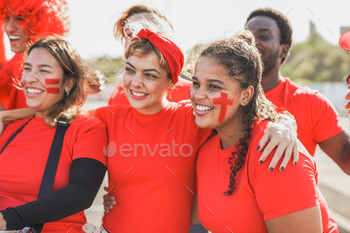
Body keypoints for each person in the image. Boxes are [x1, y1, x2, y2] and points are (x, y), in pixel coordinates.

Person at [190, 30, 338, 233]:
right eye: (196, 83)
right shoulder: (207, 148)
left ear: (245, 96)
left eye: (214, 87)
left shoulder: (275, 154)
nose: (198, 94)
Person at [0, 37, 107, 232]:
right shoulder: (10, 126)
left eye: (44, 70)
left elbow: (82, 192)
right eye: (28, 68)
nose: (30, 78)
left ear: (69, 83)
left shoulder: (87, 128)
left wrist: (7, 219)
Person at [245, 8, 350, 174]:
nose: (253, 42)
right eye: (246, 37)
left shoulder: (311, 102)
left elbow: (347, 160)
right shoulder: (219, 96)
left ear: (284, 50)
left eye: (264, 36)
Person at [108, 4, 192, 106]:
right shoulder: (119, 95)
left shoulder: (193, 94)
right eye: (129, 34)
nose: (138, 37)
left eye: (147, 31)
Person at [0, 0, 69, 110]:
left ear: (43, 21)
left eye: (20, 19)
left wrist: (5, 116)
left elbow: (53, 110)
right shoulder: (15, 62)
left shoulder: (59, 60)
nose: (9, 28)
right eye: (6, 19)